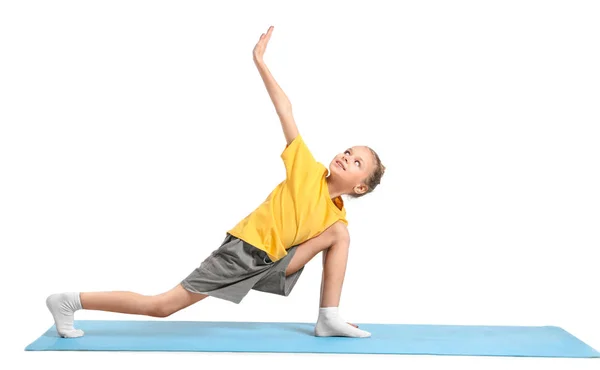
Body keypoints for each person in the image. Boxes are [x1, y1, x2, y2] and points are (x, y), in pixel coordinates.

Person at [46, 25, 386, 339]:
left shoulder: (336, 216)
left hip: (273, 264)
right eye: (347, 150)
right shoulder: (307, 170)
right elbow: (286, 110)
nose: (345, 156)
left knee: (341, 234)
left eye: (356, 162)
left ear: (360, 187)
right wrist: (260, 62)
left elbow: (326, 242)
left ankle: (328, 316)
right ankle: (70, 301)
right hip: (243, 253)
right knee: (163, 306)